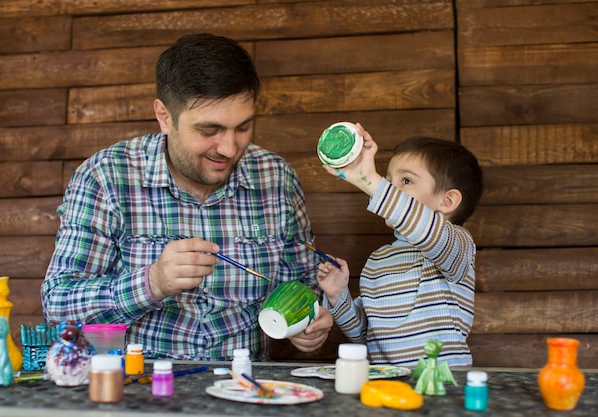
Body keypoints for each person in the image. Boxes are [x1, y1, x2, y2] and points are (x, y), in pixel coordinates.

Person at [42, 33, 333, 361]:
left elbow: (304, 287)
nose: (230, 148)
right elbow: (58, 308)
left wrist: (308, 324)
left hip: (246, 392)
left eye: (243, 127)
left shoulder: (276, 178)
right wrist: (154, 282)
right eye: (209, 131)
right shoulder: (106, 176)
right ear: (165, 117)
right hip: (138, 391)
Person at [317, 125, 483, 367]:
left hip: (443, 386)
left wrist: (368, 180)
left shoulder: (458, 245)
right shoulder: (378, 260)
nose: (391, 187)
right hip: (387, 384)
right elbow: (363, 334)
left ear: (447, 201)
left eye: (406, 180)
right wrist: (337, 296)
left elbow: (426, 230)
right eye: (387, 180)